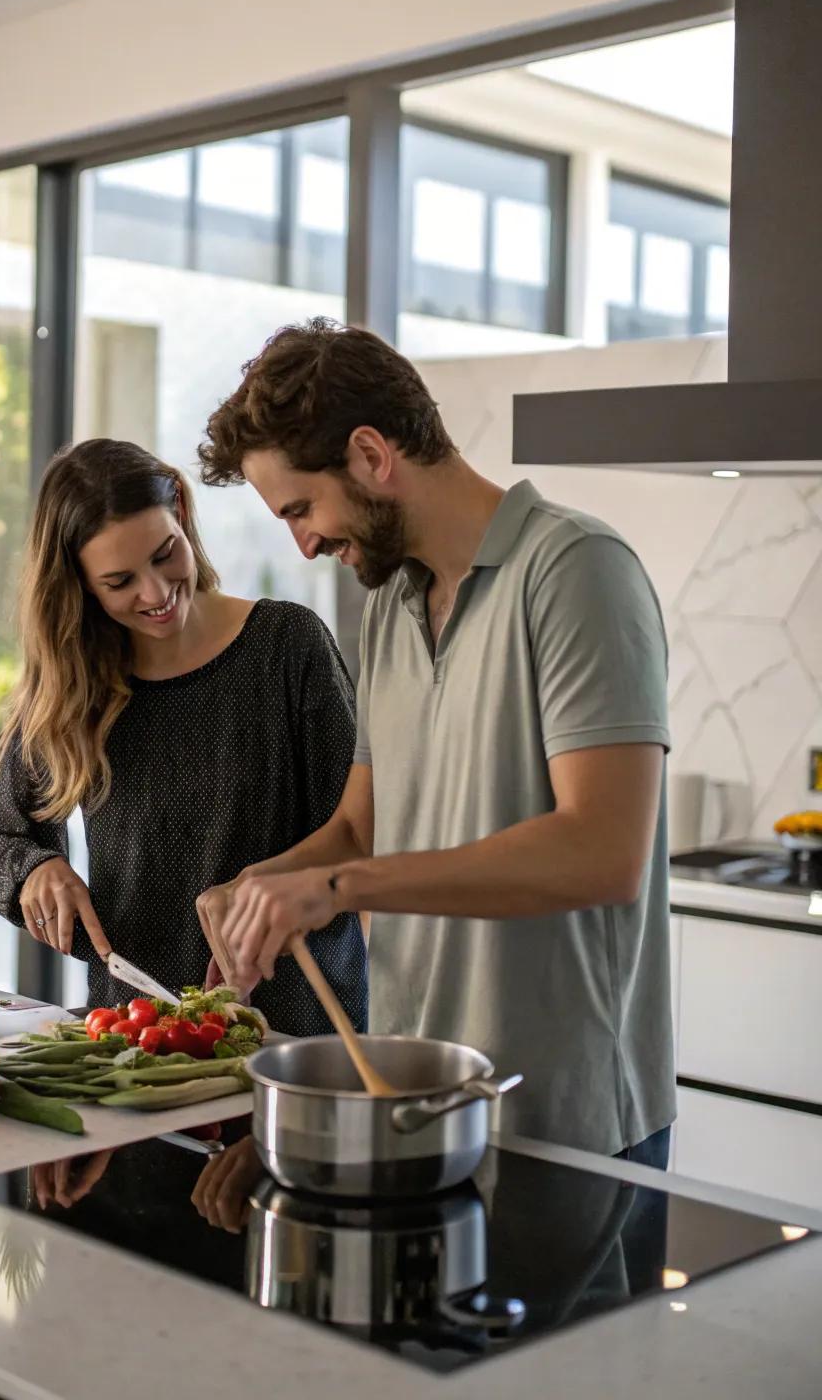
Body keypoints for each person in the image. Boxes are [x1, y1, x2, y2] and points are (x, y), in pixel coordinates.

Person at [196, 319, 675, 1164]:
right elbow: (361, 827)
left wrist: (336, 887)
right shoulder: (389, 604)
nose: (302, 544)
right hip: (414, 1093)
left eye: (302, 509)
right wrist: (262, 886)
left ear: (373, 456)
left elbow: (603, 851)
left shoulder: (573, 570)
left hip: (564, 1119)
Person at [0, 438, 366, 1034]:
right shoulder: (73, 683)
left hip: (294, 1037)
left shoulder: (288, 645)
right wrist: (33, 871)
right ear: (79, 585)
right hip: (132, 1034)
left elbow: (360, 833)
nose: (155, 594)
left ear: (181, 511)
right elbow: (0, 842)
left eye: (165, 555)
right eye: (119, 580)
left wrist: (269, 890)